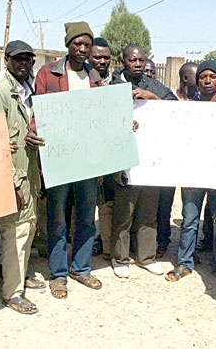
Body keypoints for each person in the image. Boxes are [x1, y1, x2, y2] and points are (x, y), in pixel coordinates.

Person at [32, 21, 103, 298]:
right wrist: (34, 132)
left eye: (87, 44)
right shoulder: (48, 72)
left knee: (87, 215)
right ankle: (59, 273)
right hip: (59, 157)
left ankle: (81, 268)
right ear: (68, 45)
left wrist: (122, 124)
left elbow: (103, 117)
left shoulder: (94, 76)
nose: (83, 49)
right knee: (58, 217)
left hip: (87, 158)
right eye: (78, 43)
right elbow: (39, 110)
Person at [0, 40, 42, 313]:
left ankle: (18, 280)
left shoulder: (27, 89)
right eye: (18, 59)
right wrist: (11, 182)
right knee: (14, 233)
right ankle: (12, 293)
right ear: (6, 60)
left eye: (28, 59)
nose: (24, 64)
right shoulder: (0, 92)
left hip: (29, 172)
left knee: (26, 229)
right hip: (13, 175)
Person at [109, 44, 177, 278]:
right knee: (124, 214)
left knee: (148, 213)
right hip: (124, 159)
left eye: (141, 60)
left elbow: (176, 109)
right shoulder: (112, 87)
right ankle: (120, 259)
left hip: (150, 160)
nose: (137, 64)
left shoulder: (152, 85)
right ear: (123, 62)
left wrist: (151, 97)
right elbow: (101, 121)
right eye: (132, 60)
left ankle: (146, 257)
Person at [165, 60, 216, 282]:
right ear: (197, 80)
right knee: (189, 218)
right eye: (203, 76)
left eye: (212, 76)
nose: (208, 80)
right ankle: (185, 263)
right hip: (193, 174)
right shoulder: (188, 108)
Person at [156, 62, 198, 259]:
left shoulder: (202, 103)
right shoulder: (169, 99)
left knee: (191, 209)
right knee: (164, 204)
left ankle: (190, 248)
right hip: (168, 160)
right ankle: (162, 241)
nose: (202, 82)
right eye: (197, 77)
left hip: (193, 163)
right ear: (185, 79)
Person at [88, 37, 114, 260]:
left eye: (106, 57)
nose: (102, 61)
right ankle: (81, 250)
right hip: (82, 153)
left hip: (108, 155)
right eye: (97, 57)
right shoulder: (80, 80)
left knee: (105, 205)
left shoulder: (116, 85)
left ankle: (106, 247)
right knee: (82, 208)